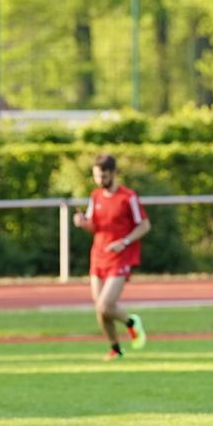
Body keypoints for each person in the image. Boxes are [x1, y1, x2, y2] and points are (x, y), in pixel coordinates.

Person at [72, 152, 152, 359]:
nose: (100, 181)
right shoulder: (95, 196)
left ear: (114, 173)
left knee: (105, 305)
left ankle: (132, 323)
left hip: (121, 257)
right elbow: (94, 225)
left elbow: (144, 225)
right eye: (97, 176)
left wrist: (124, 242)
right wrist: (83, 223)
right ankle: (116, 349)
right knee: (101, 310)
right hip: (98, 256)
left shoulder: (128, 197)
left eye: (104, 177)